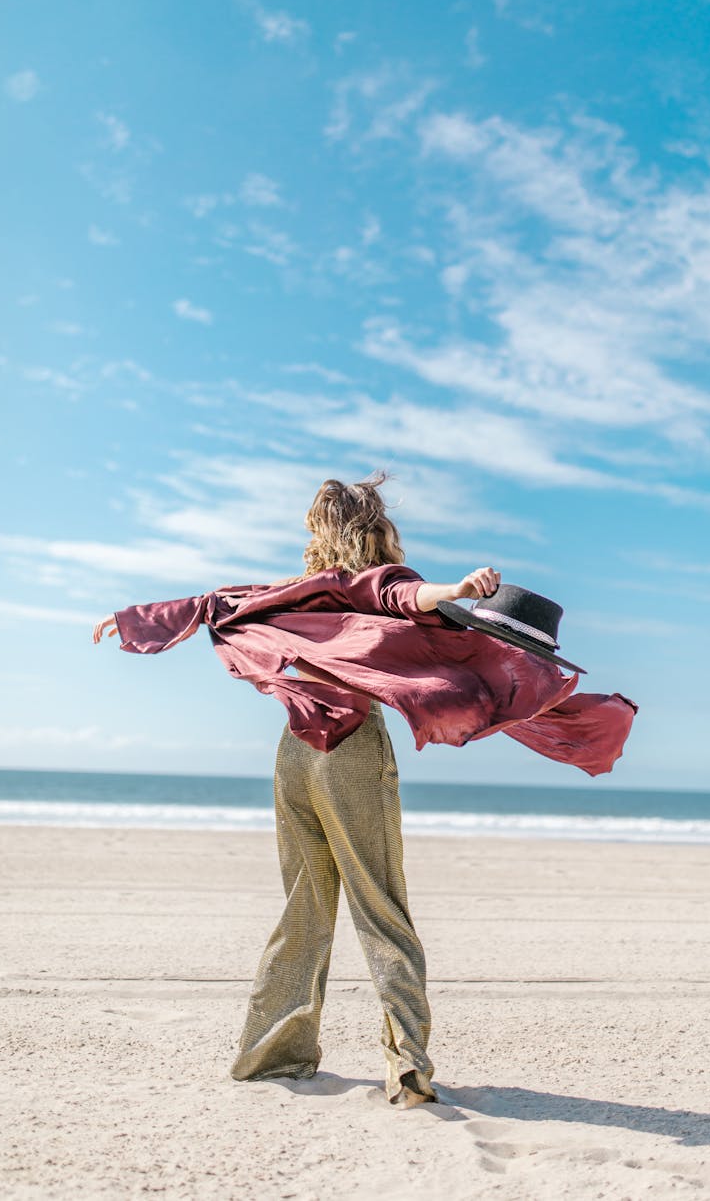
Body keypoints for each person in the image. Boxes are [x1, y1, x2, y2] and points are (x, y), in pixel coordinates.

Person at [94, 473, 503, 1108]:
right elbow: (406, 595)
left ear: (323, 533)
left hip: (294, 753)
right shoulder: (363, 581)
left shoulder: (299, 593)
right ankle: (408, 1071)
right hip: (350, 754)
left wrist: (131, 620)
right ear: (375, 530)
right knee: (380, 906)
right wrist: (458, 590)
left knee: (305, 905)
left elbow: (217, 601)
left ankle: (273, 1057)